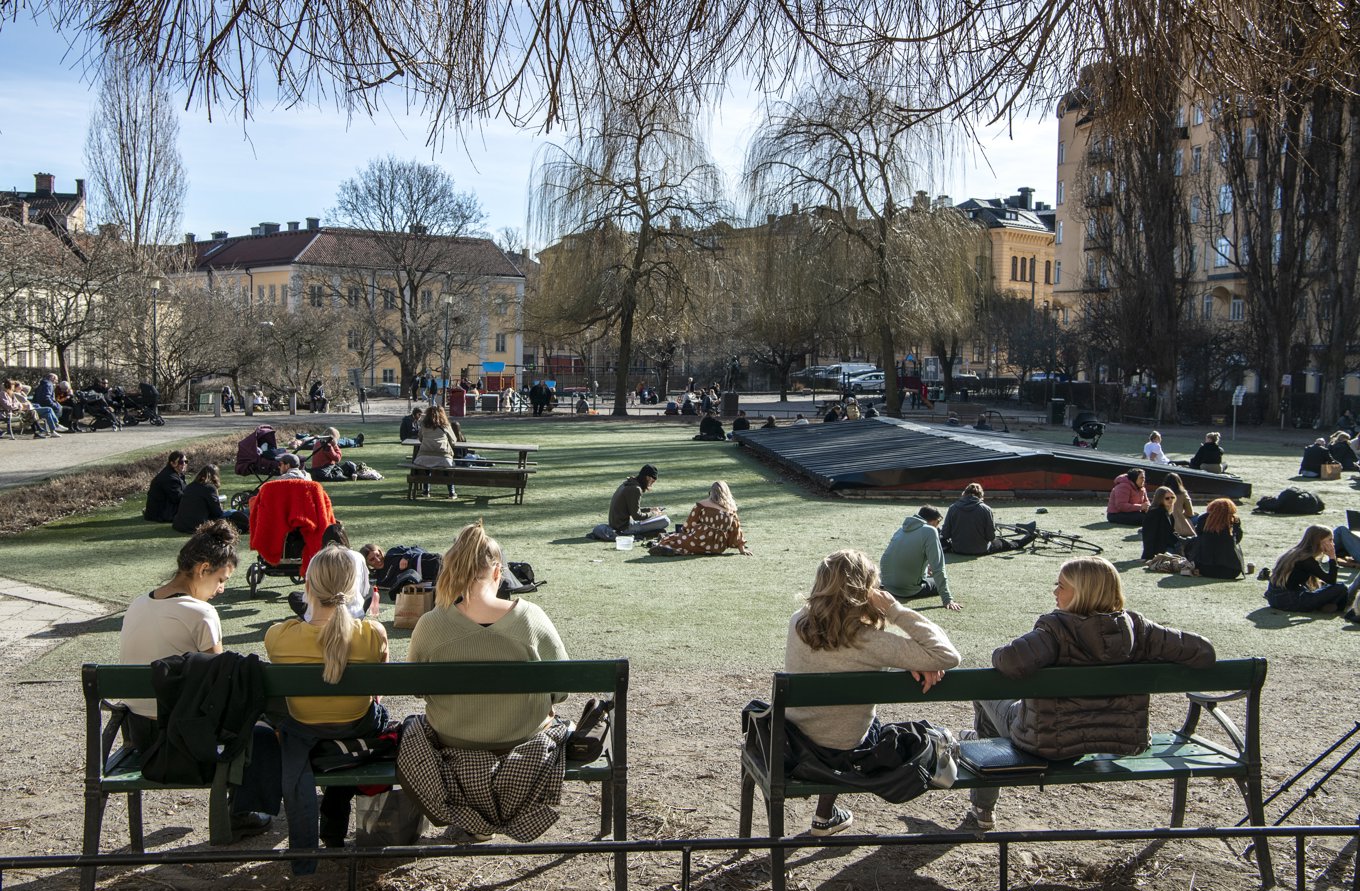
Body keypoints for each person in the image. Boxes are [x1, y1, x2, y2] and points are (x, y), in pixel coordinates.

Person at [964, 556, 1215, 830]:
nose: (1055, 592)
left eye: (1061, 586)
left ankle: (983, 800)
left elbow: (1008, 661)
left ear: (1082, 592)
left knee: (984, 691)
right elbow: (1203, 652)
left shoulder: (1055, 630)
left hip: (1048, 742)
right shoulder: (1138, 628)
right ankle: (977, 748)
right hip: (1120, 739)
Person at [784, 549, 961, 836]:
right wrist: (895, 611)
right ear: (866, 591)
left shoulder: (797, 624)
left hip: (796, 742)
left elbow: (839, 655)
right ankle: (824, 815)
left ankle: (824, 817)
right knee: (859, 723)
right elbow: (947, 655)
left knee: (839, 718)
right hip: (846, 750)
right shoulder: (871, 643)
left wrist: (911, 661)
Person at [118, 520, 277, 838]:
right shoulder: (201, 614)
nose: (221, 590)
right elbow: (224, 683)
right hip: (181, 741)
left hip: (139, 734)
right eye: (221, 580)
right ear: (204, 569)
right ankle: (240, 811)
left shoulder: (138, 603)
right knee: (262, 728)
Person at [265, 545, 389, 854]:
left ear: (307, 586)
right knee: (373, 717)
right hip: (356, 728)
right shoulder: (373, 634)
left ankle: (332, 819)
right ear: (352, 588)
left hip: (305, 730)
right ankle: (335, 813)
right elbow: (379, 688)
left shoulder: (278, 637)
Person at [409, 522, 569, 751]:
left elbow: (417, 688)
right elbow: (561, 688)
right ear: (497, 571)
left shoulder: (431, 624)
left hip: (451, 738)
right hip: (525, 736)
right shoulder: (530, 618)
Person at [880, 506, 962, 610]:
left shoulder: (901, 530)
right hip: (907, 589)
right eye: (937, 522)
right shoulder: (930, 531)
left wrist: (926, 568)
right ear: (932, 521)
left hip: (887, 585)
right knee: (938, 583)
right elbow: (938, 568)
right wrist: (947, 599)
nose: (937, 527)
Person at [1263, 525, 1360, 614]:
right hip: (1290, 600)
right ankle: (1336, 606)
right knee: (1341, 587)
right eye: (1330, 540)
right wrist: (1332, 557)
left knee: (1323, 586)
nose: (1333, 544)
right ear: (1318, 541)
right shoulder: (1307, 559)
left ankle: (1327, 605)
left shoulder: (1294, 553)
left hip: (1274, 597)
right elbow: (1332, 580)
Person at [649, 481, 752, 556]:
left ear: (711, 492)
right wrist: (742, 549)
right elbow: (736, 531)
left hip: (699, 540)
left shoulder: (702, 505)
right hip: (718, 547)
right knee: (682, 541)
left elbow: (690, 523)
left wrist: (684, 532)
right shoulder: (731, 510)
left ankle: (669, 549)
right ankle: (674, 550)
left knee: (670, 539)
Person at [939, 483, 1037, 555]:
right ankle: (1030, 536)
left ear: (964, 493)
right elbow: (991, 537)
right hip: (981, 549)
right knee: (1009, 544)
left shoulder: (953, 508)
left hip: (958, 549)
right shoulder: (986, 509)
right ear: (981, 495)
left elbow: (945, 533)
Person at [174, 464, 249, 534]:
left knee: (235, 512)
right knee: (234, 511)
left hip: (181, 525)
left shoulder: (190, 486)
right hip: (198, 525)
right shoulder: (209, 488)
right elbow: (217, 513)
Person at [1186, 499, 1248, 580]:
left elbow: (1199, 535)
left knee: (1195, 541)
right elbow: (1238, 539)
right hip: (1232, 571)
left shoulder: (1203, 519)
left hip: (1205, 569)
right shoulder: (1234, 521)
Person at [608, 464, 670, 537]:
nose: (651, 485)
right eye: (652, 482)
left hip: (616, 524)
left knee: (657, 518)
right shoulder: (636, 489)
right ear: (648, 478)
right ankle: (643, 533)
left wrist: (650, 509)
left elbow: (631, 509)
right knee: (665, 520)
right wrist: (653, 513)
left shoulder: (628, 484)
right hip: (624, 528)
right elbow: (637, 516)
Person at [361, 542, 443, 596]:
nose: (378, 560)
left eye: (378, 555)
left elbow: (418, 549)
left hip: (431, 562)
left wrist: (406, 557)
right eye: (372, 559)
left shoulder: (392, 553)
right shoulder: (378, 579)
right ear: (367, 563)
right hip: (427, 580)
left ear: (380, 552)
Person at [414, 405, 459, 497]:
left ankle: (426, 490)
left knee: (427, 468)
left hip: (423, 457)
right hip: (443, 456)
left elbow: (420, 438)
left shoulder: (424, 425)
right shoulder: (445, 425)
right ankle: (452, 492)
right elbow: (453, 441)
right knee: (447, 469)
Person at [1141, 486, 1189, 559]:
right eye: (1167, 498)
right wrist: (1148, 556)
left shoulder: (1168, 513)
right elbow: (1149, 536)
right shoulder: (1154, 513)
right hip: (1160, 550)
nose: (1170, 500)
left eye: (1172, 497)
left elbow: (1171, 532)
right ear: (1160, 499)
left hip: (1169, 546)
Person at [144, 451, 188, 522]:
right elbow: (178, 498)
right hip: (161, 513)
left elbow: (184, 491)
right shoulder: (169, 477)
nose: (184, 464)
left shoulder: (176, 474)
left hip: (164, 507)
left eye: (186, 461)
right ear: (172, 463)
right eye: (181, 462)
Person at [1163, 472, 1197, 537]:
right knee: (1197, 518)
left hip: (1162, 525)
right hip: (1180, 527)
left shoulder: (1160, 493)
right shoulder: (1183, 494)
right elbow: (1190, 513)